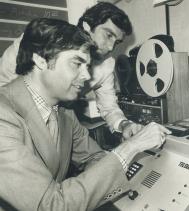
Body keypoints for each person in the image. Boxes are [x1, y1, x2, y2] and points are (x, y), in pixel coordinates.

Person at [0, 18, 170, 211]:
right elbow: (51, 205)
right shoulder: (3, 117)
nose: (87, 76)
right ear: (40, 59)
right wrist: (130, 147)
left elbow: (94, 158)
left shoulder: (64, 111)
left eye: (87, 66)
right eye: (76, 63)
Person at [0, 2, 142, 140]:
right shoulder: (39, 39)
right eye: (108, 35)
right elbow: (3, 87)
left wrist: (124, 125)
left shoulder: (107, 64)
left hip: (62, 122)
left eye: (116, 42)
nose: (111, 47)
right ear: (87, 26)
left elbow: (109, 106)